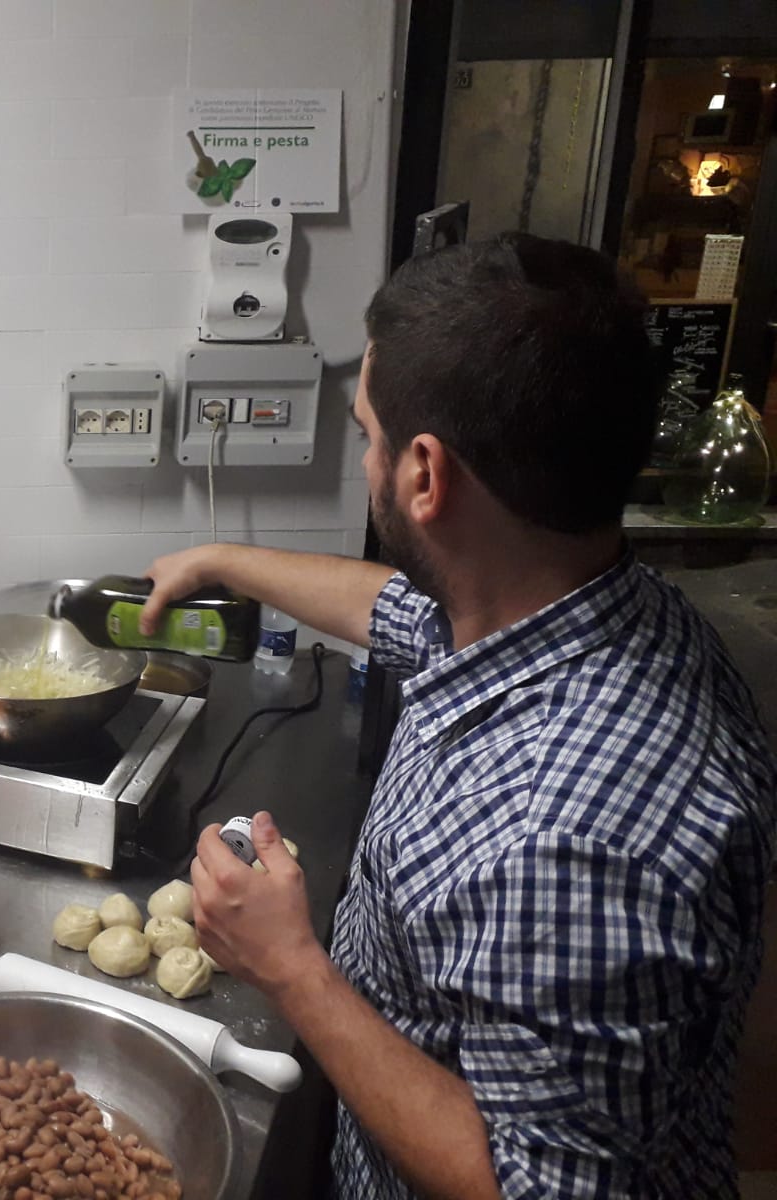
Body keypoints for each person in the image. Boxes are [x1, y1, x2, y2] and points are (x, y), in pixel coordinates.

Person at [140, 234, 776, 1198]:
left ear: (426, 475)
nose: (366, 460)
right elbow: (392, 608)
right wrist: (222, 560)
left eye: (369, 436)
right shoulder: (583, 599)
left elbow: (538, 1188)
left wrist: (291, 967)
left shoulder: (567, 842)